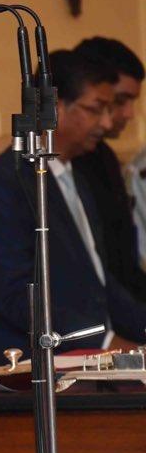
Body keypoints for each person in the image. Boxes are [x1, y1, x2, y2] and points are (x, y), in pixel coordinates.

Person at [0, 50, 146, 373]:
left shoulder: (73, 173)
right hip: (24, 363)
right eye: (95, 110)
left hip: (85, 352)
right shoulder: (5, 184)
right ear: (55, 108)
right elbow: (19, 299)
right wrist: (105, 344)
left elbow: (100, 283)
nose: (106, 123)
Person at [72, 37, 146, 302]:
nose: (129, 114)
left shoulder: (104, 157)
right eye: (121, 100)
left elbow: (125, 267)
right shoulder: (58, 165)